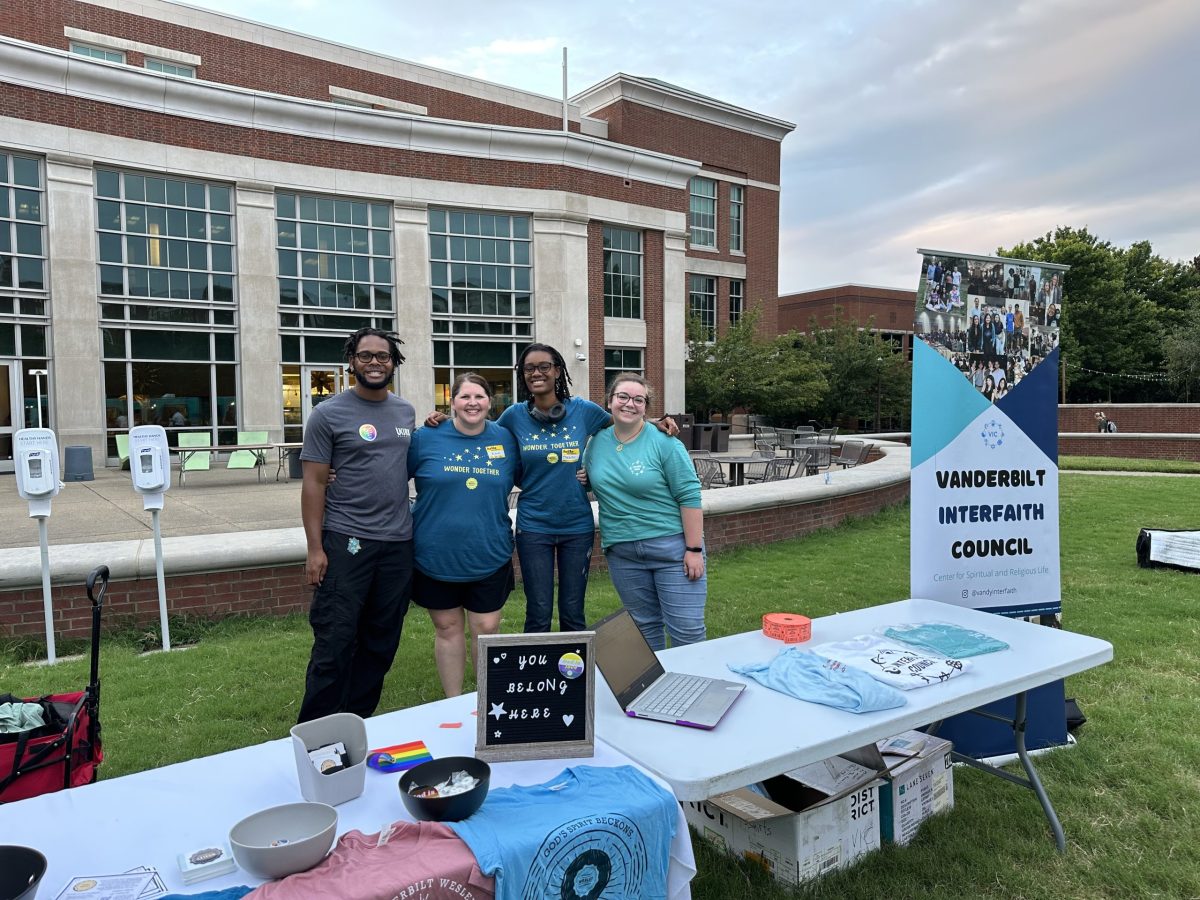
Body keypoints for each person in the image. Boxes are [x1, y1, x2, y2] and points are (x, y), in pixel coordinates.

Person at [297, 327, 414, 723]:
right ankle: (315, 731)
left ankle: (355, 722)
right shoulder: (328, 414)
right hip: (347, 541)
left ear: (393, 362)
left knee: (381, 642)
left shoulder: (405, 412)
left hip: (398, 544)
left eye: (383, 356)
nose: (375, 363)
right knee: (335, 640)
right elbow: (313, 483)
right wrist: (315, 549)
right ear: (352, 362)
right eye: (366, 356)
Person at [409, 373, 520, 697]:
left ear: (490, 401)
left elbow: (536, 473)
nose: (472, 403)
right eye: (465, 397)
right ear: (452, 402)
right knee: (447, 628)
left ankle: (487, 701)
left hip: (488, 551)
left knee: (486, 629)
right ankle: (453, 702)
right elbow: (388, 473)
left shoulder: (506, 439)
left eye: (479, 396)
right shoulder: (425, 438)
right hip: (435, 553)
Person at [582, 373, 706, 651]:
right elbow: (593, 478)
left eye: (639, 399)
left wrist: (694, 549)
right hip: (623, 552)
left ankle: (695, 691)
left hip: (672, 550)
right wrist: (584, 478)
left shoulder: (665, 442)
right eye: (622, 397)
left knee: (687, 631)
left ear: (646, 406)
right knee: (644, 629)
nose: (630, 404)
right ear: (610, 401)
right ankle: (657, 693)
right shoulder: (595, 443)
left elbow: (689, 495)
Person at [497, 344, 613, 634]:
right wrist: (445, 425)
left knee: (573, 611)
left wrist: (658, 425)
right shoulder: (513, 416)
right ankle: (538, 676)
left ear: (557, 371)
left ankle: (573, 676)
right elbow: (481, 436)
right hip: (534, 526)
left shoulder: (583, 411)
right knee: (538, 611)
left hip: (577, 525)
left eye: (544, 366)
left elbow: (623, 427)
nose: (536, 373)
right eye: (529, 368)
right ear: (523, 375)